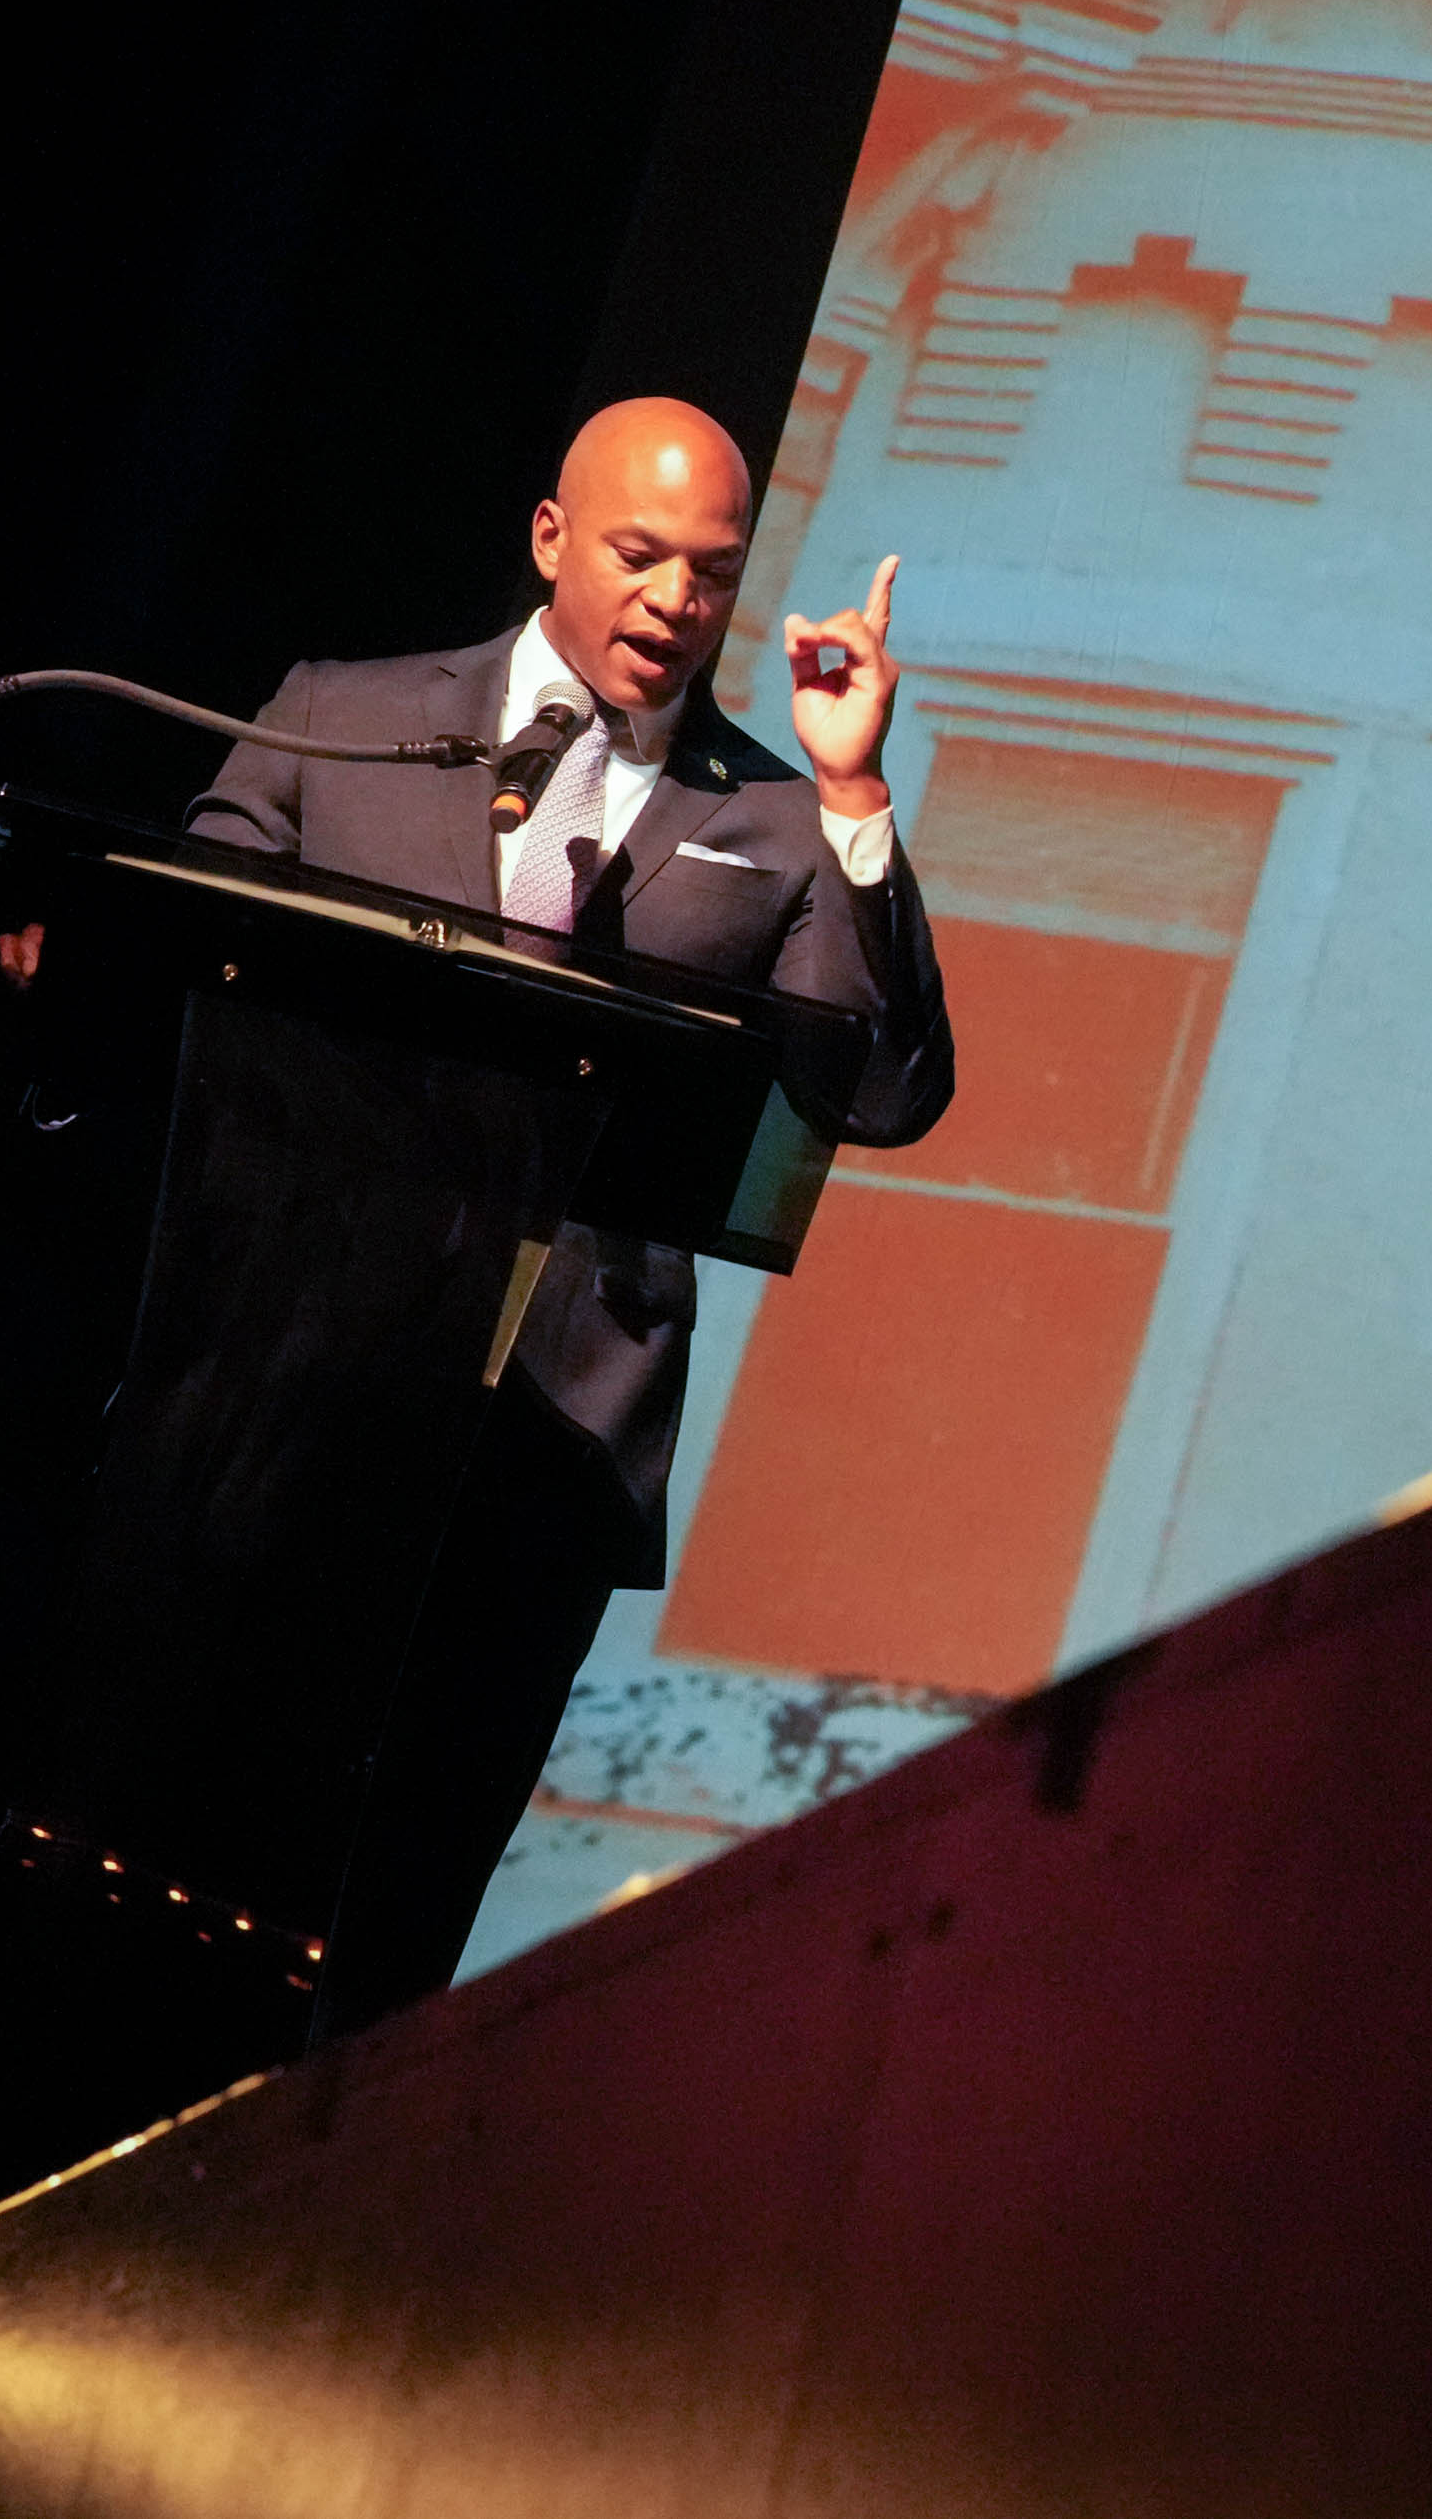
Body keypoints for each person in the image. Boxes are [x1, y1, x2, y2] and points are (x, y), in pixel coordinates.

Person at [170, 393, 955, 2031]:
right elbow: (190, 968)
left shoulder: (775, 821)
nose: (678, 596)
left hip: (553, 1438)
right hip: (288, 1385)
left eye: (714, 572)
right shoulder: (346, 719)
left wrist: (860, 794)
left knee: (393, 1927)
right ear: (550, 539)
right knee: (194, 1833)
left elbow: (878, 1092)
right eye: (641, 551)